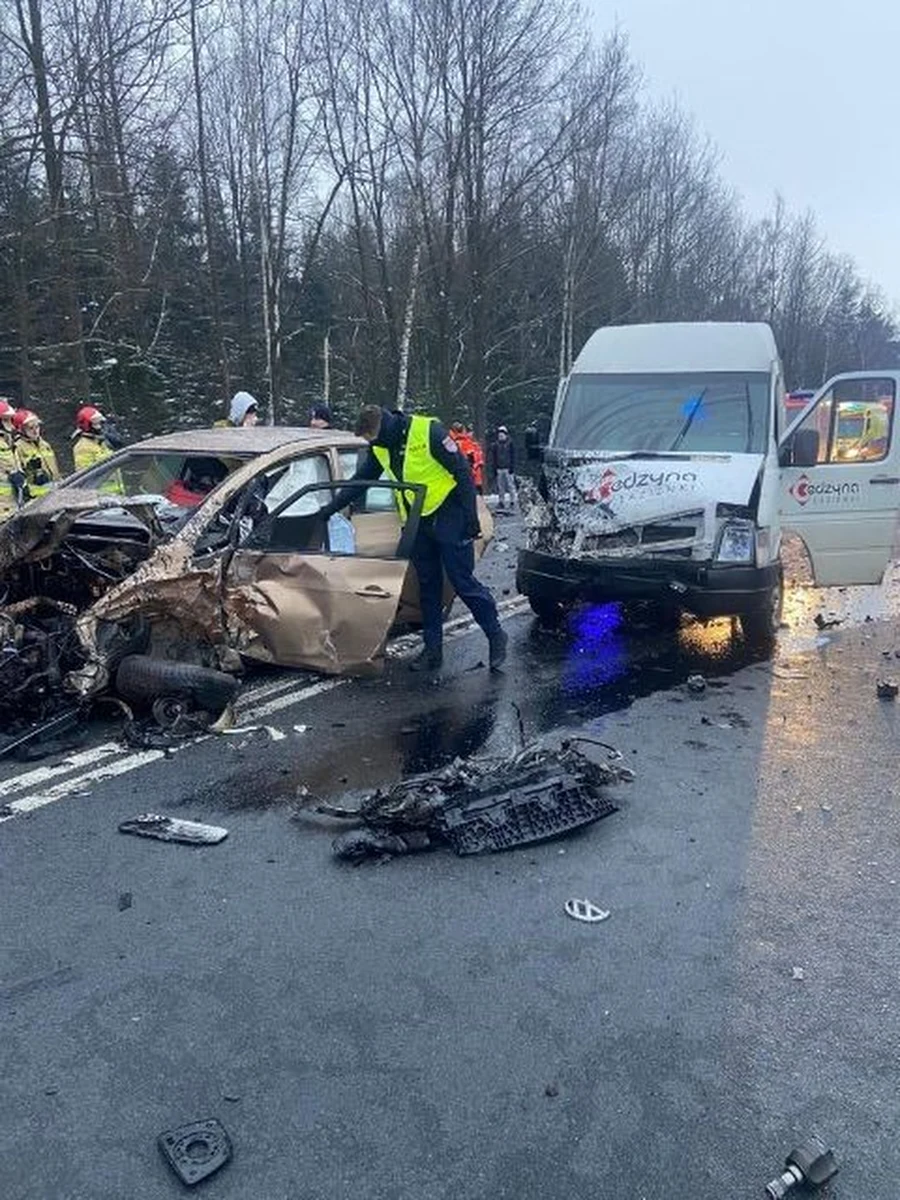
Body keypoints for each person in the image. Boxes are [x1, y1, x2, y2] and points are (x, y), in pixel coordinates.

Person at [321, 405, 507, 673]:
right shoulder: (380, 447)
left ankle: (495, 634)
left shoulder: (428, 431)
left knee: (461, 581)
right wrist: (329, 509)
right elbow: (360, 482)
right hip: (417, 520)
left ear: (383, 429)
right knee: (427, 587)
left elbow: (462, 472)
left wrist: (470, 519)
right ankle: (432, 651)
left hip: (449, 512)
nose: (372, 445)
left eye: (373, 439)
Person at [12, 408, 61, 498]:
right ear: (21, 429)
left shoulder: (45, 445)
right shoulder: (17, 448)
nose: (35, 431)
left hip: (54, 491)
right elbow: (18, 476)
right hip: (35, 497)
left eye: (37, 426)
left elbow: (55, 469)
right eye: (30, 428)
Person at [0, 398, 26, 519]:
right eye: (6, 420)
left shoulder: (9, 442)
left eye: (11, 420)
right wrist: (10, 476)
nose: (10, 424)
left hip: (12, 504)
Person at [71, 404, 114, 471]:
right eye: (96, 424)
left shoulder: (101, 443)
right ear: (86, 426)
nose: (100, 427)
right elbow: (85, 475)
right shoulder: (82, 447)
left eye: (100, 422)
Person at [450, 422, 485, 492]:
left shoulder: (469, 442)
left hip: (471, 470)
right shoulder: (463, 442)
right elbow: (470, 456)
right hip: (468, 470)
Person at [490, 425, 516, 512]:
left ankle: (513, 501)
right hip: (499, 468)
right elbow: (494, 458)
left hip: (508, 468)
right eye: (499, 434)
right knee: (501, 486)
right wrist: (494, 468)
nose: (500, 436)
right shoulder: (495, 445)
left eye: (502, 434)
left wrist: (512, 467)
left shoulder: (510, 443)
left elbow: (513, 456)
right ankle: (501, 501)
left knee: (510, 485)